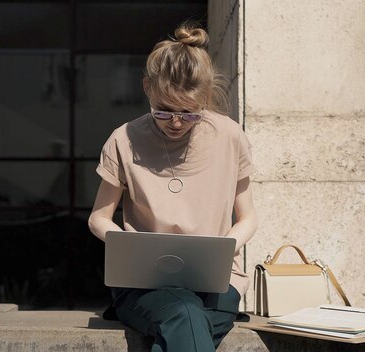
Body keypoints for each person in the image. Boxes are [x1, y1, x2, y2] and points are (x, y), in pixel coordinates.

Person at [88, 21, 258, 352]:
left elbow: (248, 217)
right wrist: (130, 244)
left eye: (189, 113)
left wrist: (222, 250)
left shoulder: (230, 136)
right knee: (184, 315)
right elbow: (98, 218)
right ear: (147, 88)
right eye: (164, 112)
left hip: (219, 284)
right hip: (144, 285)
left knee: (185, 319)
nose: (177, 122)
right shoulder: (124, 140)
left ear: (205, 97)